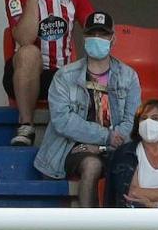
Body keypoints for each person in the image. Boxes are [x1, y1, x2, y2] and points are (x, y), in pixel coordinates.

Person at [33, 12, 139, 208]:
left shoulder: (129, 76)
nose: (97, 39)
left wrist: (102, 146)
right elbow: (63, 121)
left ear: (113, 39)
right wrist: (104, 136)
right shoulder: (65, 76)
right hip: (72, 147)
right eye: (93, 34)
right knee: (92, 165)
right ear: (84, 38)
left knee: (132, 164)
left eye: (103, 34)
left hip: (115, 146)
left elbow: (131, 122)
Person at [4, 0, 95, 146]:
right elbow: (24, 39)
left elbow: (94, 29)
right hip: (24, 74)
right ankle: (26, 125)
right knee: (29, 52)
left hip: (61, 75)